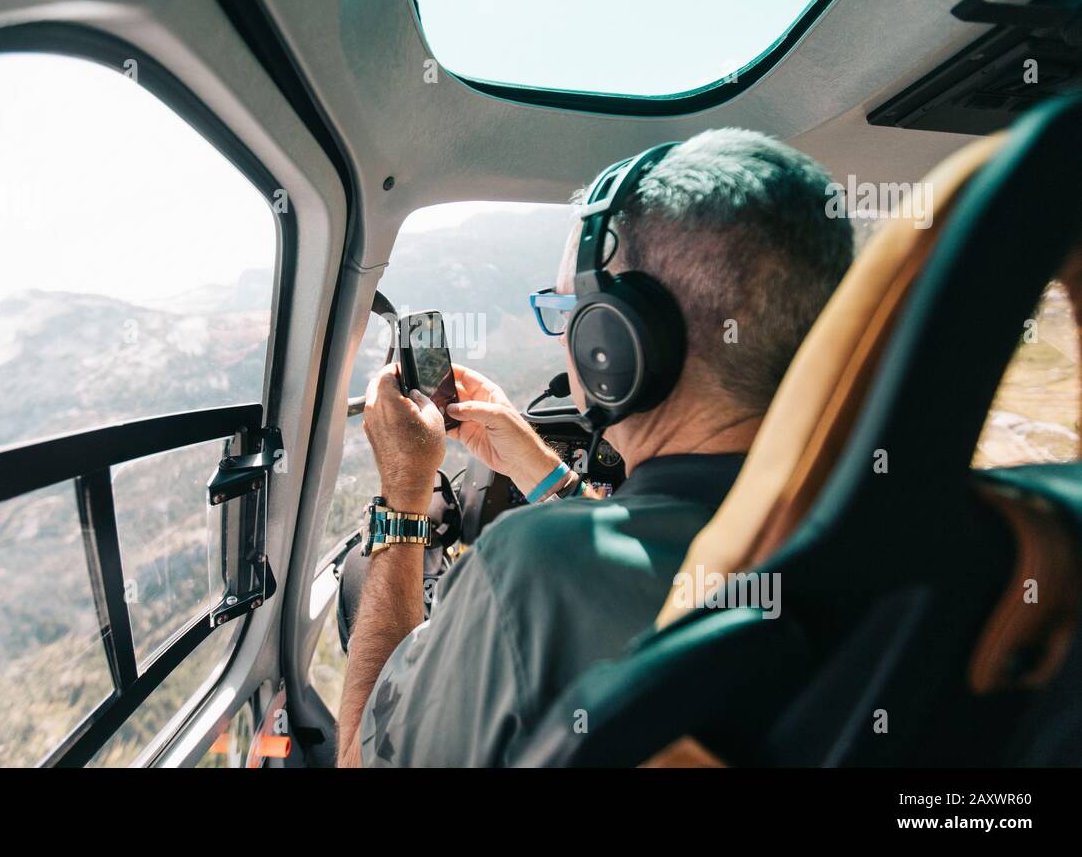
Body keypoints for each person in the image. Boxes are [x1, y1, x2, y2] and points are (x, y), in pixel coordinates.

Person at [336, 128, 853, 767]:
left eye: (570, 312)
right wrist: (542, 472)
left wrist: (403, 493)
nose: (565, 340)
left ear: (614, 340)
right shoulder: (882, 520)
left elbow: (355, 760)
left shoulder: (533, 574)